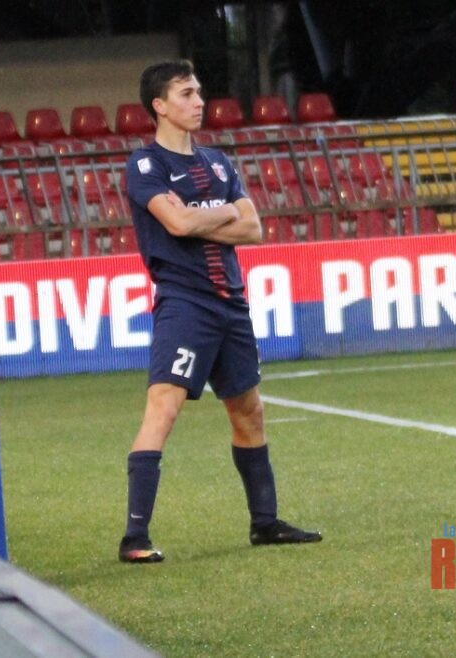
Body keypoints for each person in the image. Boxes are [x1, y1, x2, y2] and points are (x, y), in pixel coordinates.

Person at [118, 60, 322, 563]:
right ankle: (135, 538)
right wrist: (222, 211)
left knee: (249, 411)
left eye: (199, 92)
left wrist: (204, 213)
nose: (198, 101)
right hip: (185, 303)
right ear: (159, 105)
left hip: (231, 303)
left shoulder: (217, 162)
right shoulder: (146, 165)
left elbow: (253, 229)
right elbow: (177, 225)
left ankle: (265, 522)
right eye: (186, 93)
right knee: (163, 408)